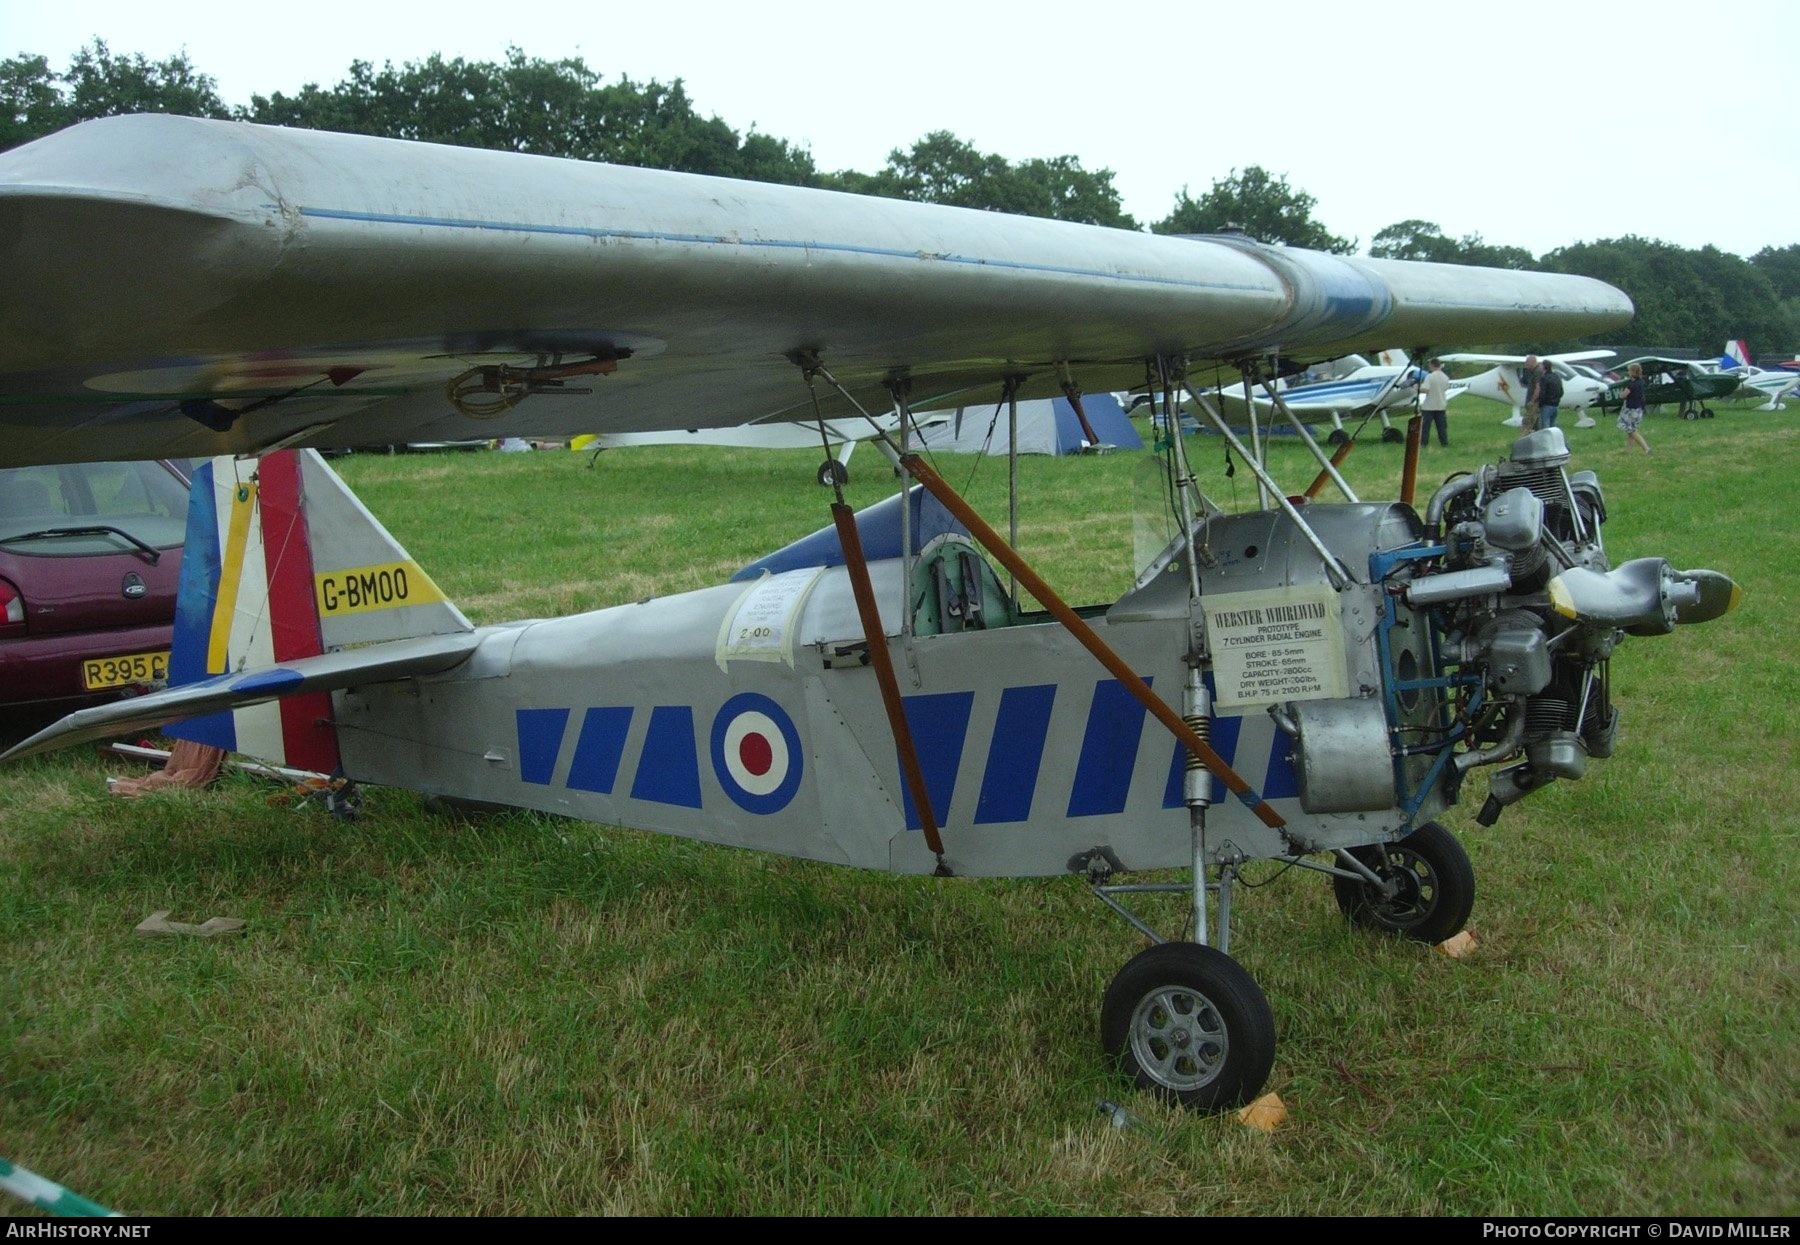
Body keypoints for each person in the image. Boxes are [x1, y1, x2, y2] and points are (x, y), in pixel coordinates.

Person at [1618, 361, 1651, 454]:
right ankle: (1628, 450)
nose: (1628, 372)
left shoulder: (1631, 384)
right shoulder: (1641, 382)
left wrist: (1621, 394)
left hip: (1630, 409)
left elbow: (1624, 395)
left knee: (1630, 430)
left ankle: (1646, 448)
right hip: (1639, 409)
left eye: (1629, 371)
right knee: (1632, 429)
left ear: (1632, 372)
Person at [1420, 357, 1451, 447]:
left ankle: (1423, 443)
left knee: (1425, 427)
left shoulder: (1430, 376)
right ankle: (1444, 443)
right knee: (1442, 427)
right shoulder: (1445, 377)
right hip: (1441, 405)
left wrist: (1417, 387)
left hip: (1429, 406)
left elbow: (1425, 389)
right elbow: (1445, 388)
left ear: (1432, 365)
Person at [1533, 359, 1564, 429]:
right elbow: (1561, 391)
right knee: (1553, 424)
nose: (1539, 367)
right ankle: (1553, 439)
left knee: (1545, 425)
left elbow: (1542, 393)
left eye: (1540, 365)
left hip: (1547, 405)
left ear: (1544, 367)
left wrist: (1540, 403)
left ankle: (1546, 439)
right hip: (1556, 404)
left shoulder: (1544, 378)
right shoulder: (1556, 376)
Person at [1520, 355, 1541, 431]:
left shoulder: (1538, 372)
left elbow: (1538, 387)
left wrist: (1532, 401)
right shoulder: (1533, 372)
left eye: (1527, 363)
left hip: (1534, 403)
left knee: (1527, 422)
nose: (1526, 365)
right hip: (1534, 402)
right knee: (1535, 424)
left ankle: (1522, 440)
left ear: (1532, 362)